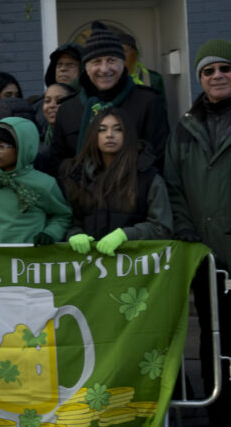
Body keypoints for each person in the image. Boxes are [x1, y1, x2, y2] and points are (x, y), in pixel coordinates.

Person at [164, 39, 231, 423]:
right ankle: (218, 413)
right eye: (208, 71)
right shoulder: (186, 127)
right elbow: (173, 185)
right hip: (206, 257)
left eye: (224, 68)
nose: (217, 76)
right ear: (200, 80)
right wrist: (188, 232)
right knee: (213, 337)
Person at [49, 22, 169, 175]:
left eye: (111, 60)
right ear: (86, 67)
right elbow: (57, 163)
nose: (104, 69)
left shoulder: (148, 102)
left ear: (122, 64)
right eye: (96, 61)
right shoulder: (67, 109)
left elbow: (159, 158)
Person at [60, 108, 171, 256]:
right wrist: (74, 234)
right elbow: (69, 220)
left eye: (118, 130)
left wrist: (125, 235)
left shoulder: (148, 177)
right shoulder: (78, 176)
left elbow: (162, 228)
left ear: (128, 135)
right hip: (90, 269)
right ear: (94, 135)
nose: (109, 135)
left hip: (136, 267)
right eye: (102, 130)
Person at [0, 117, 72, 247]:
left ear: (23, 147)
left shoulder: (44, 184)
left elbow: (63, 216)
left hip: (34, 262)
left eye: (2, 146)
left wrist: (50, 233)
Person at [118, 32, 167, 102]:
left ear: (134, 54)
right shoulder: (108, 79)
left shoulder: (153, 78)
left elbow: (161, 110)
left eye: (124, 51)